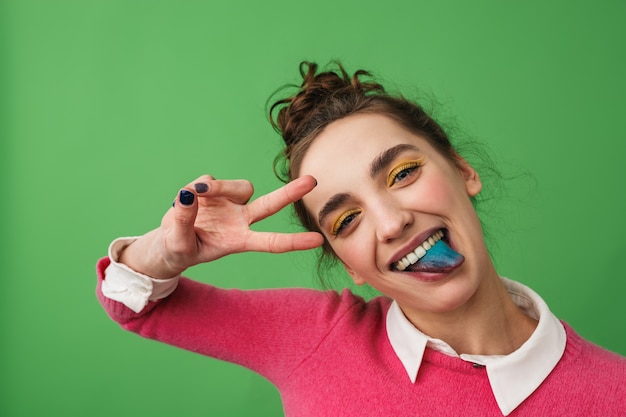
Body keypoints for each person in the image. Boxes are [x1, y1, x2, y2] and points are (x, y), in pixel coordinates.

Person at [96, 62, 626, 416]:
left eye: (402, 174)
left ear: (464, 170)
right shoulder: (316, 338)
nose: (392, 223)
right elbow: (136, 305)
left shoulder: (613, 391)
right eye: (346, 221)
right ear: (348, 264)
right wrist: (165, 253)